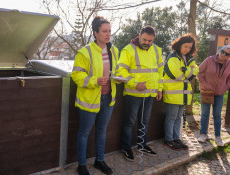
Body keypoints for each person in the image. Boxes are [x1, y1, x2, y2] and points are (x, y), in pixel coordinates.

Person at [71, 16, 119, 175]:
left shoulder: (114, 50)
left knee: (101, 131)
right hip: (89, 100)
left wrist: (118, 78)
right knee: (84, 133)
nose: (108, 34)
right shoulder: (84, 52)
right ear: (95, 33)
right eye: (104, 31)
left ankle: (99, 161)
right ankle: (82, 165)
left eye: (109, 31)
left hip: (107, 99)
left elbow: (116, 71)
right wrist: (95, 81)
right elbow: (76, 76)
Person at [117, 26, 163, 161]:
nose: (147, 43)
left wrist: (159, 89)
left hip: (150, 94)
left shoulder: (156, 50)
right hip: (133, 94)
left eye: (150, 41)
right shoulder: (128, 50)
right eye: (144, 40)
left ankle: (142, 145)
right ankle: (126, 148)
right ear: (139, 35)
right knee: (129, 122)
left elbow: (160, 72)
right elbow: (121, 72)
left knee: (144, 121)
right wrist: (135, 84)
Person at [162, 34, 199, 151]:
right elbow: (177, 76)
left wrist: (185, 70)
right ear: (179, 45)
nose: (187, 49)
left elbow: (195, 72)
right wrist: (189, 71)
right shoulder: (172, 57)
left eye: (190, 47)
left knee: (178, 118)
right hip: (173, 94)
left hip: (183, 95)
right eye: (186, 46)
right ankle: (169, 140)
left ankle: (176, 138)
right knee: (171, 118)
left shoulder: (189, 58)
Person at [197, 45, 230, 146]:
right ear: (220, 50)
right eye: (223, 51)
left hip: (219, 93)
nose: (224, 54)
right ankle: (203, 134)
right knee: (205, 114)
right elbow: (198, 71)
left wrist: (225, 86)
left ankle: (217, 136)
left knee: (217, 115)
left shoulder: (229, 64)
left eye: (227, 54)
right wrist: (203, 83)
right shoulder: (209, 60)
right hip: (207, 92)